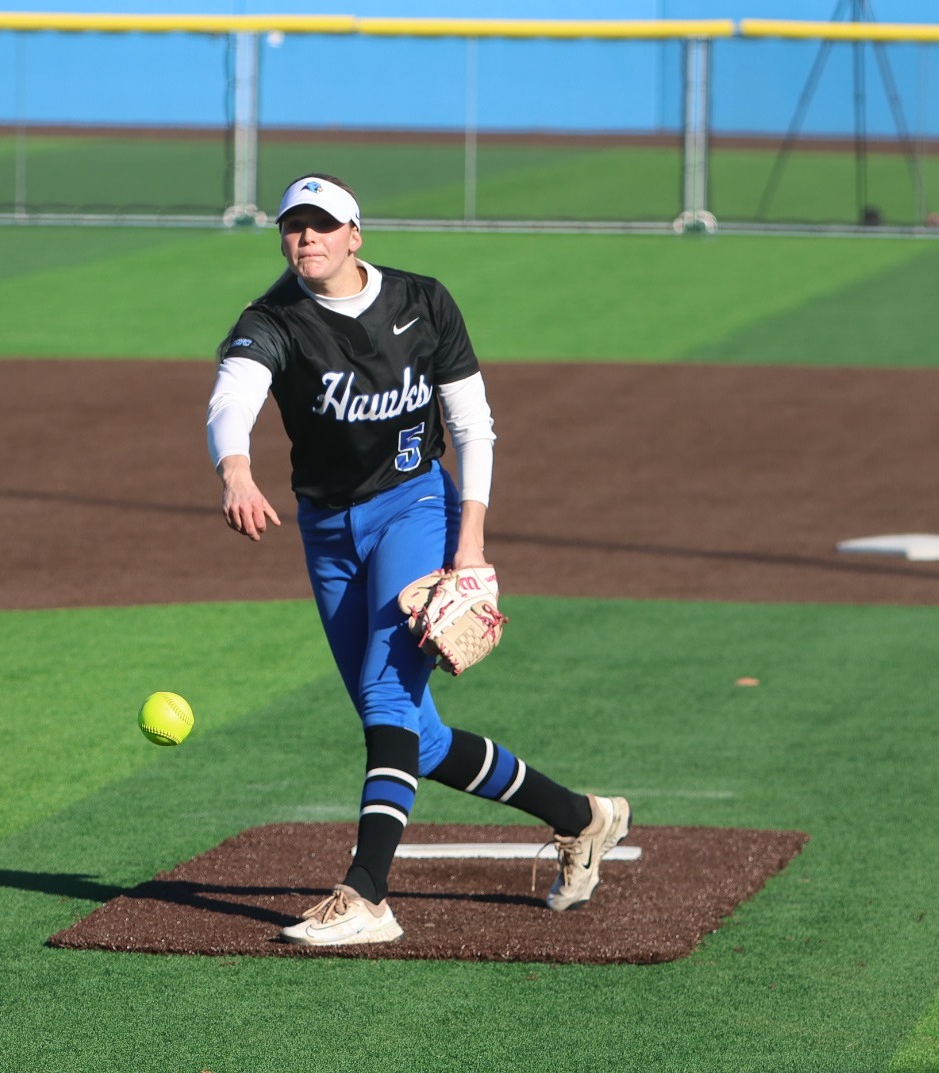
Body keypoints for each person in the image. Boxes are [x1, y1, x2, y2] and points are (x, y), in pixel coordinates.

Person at [205, 173, 630, 946]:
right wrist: (235, 468)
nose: (306, 237)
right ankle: (582, 817)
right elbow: (232, 396)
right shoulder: (271, 320)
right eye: (294, 225)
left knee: (384, 696)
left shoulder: (420, 301)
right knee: (418, 736)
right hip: (327, 529)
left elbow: (472, 425)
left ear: (354, 235)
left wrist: (469, 544)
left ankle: (367, 894)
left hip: (415, 507)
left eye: (322, 225)